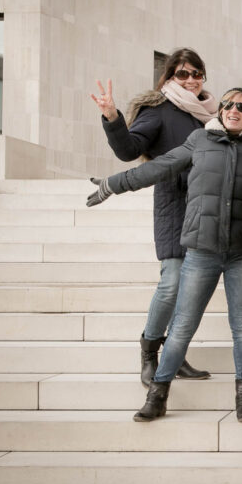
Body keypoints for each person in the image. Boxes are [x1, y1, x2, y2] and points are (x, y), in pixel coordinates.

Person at [86, 88, 242, 422]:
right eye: (228, 104)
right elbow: (159, 167)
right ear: (221, 110)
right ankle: (157, 397)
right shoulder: (199, 140)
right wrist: (114, 184)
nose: (234, 110)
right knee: (183, 325)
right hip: (201, 250)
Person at [90, 48, 215, 385]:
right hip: (174, 204)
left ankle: (175, 353)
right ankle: (149, 353)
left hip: (206, 209)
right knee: (172, 283)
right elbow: (129, 150)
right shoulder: (159, 109)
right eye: (182, 73)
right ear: (169, 76)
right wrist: (112, 117)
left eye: (196, 73)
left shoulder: (211, 115)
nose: (191, 80)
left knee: (191, 289)